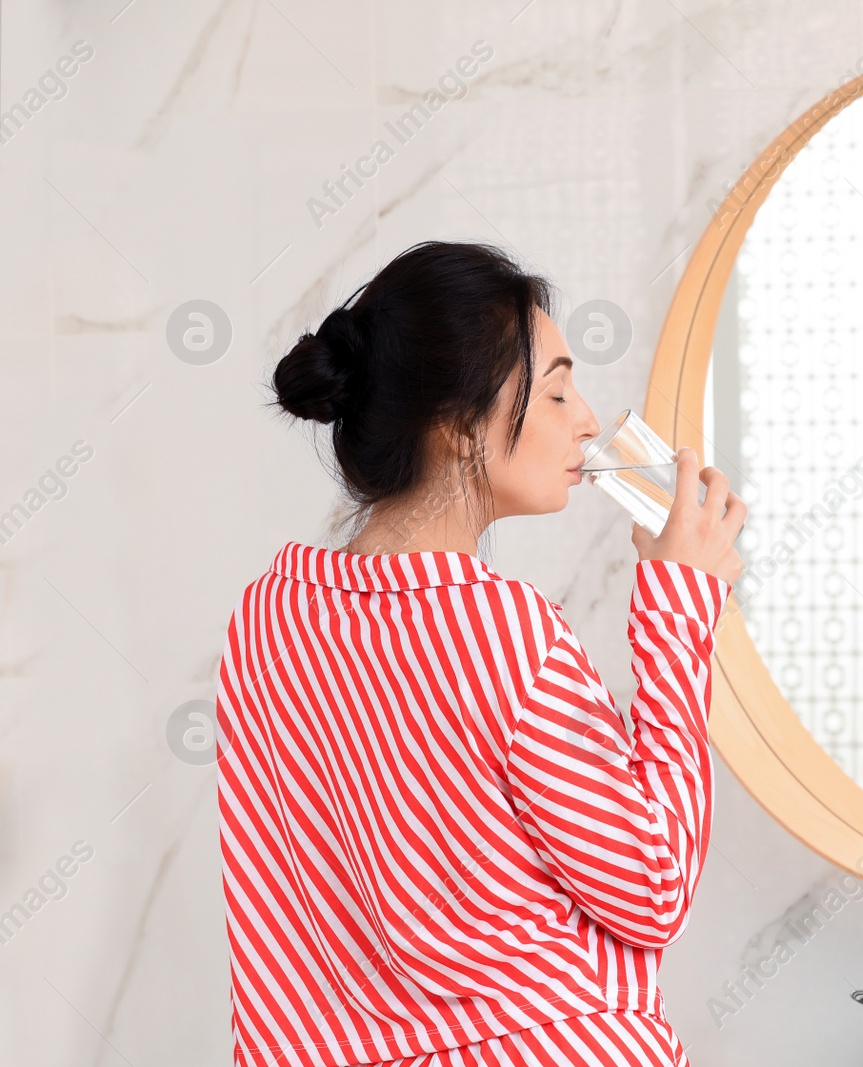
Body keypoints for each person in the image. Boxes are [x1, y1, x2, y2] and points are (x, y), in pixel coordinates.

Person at [214, 241, 744, 1066]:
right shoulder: (501, 629)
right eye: (559, 388)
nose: (589, 418)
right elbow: (653, 884)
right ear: (460, 422)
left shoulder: (266, 620)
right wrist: (679, 605)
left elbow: (283, 933)